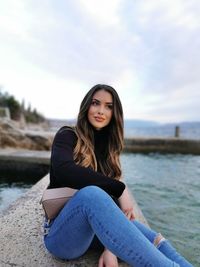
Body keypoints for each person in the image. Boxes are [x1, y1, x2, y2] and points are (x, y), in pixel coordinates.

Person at [43, 84, 193, 267]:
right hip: (61, 236)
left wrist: (110, 249)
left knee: (154, 240)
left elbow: (111, 208)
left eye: (108, 106)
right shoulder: (67, 135)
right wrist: (120, 188)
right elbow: (63, 171)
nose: (100, 111)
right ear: (86, 107)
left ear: (115, 114)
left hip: (91, 234)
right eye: (95, 103)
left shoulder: (108, 151)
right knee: (92, 194)